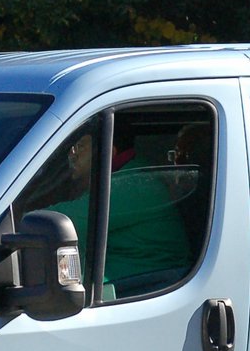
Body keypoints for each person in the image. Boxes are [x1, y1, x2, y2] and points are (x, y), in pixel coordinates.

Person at [48, 123, 191, 295]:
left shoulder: (134, 183)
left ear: (109, 152)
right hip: (129, 283)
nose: (72, 153)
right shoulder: (122, 178)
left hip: (148, 286)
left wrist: (14, 216)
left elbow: (63, 220)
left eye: (80, 146)